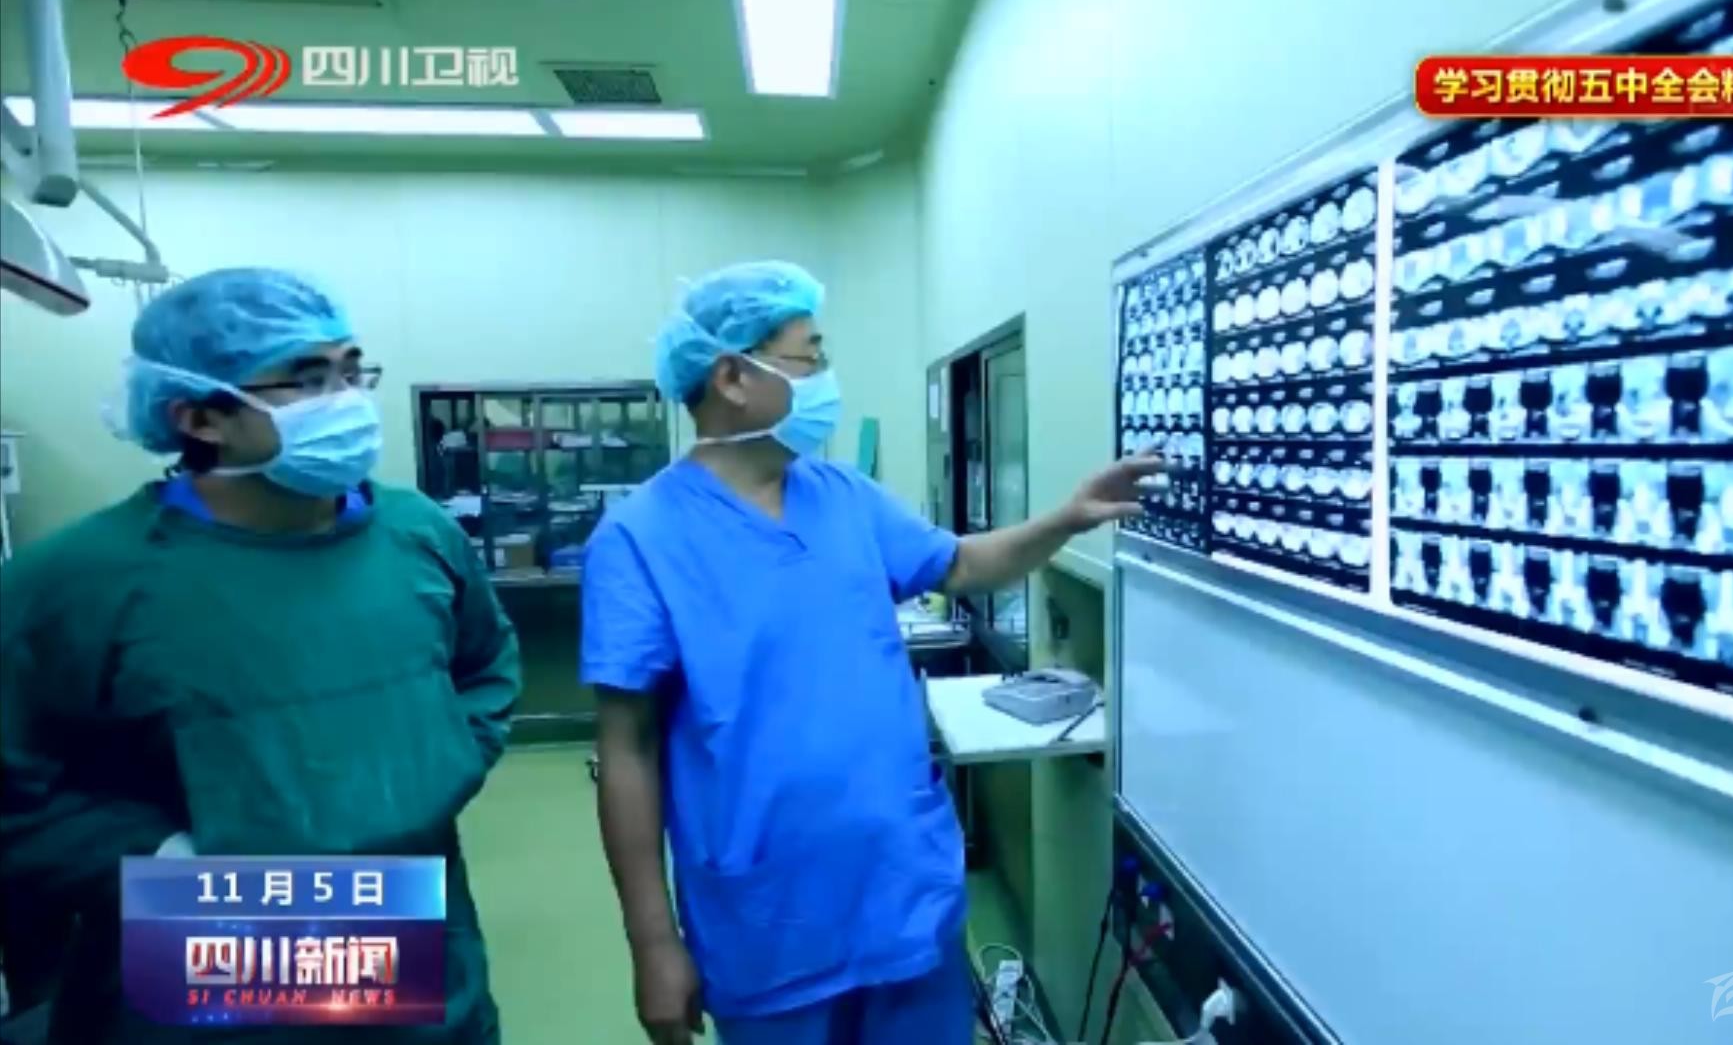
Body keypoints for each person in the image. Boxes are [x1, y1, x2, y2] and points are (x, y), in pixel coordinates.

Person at [585, 261, 1166, 1045]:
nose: (825, 376)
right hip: (770, 928)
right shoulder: (640, 539)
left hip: (904, 903)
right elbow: (627, 751)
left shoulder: (841, 497)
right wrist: (652, 943)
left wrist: (1067, 519)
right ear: (732, 377)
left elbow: (960, 564)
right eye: (810, 355)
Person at [0, 268, 522, 1044]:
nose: (345, 400)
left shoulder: (416, 534)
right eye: (307, 380)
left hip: (411, 926)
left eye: (352, 371)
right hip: (205, 937)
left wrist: (431, 765)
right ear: (199, 417)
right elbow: (17, 785)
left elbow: (485, 666)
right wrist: (157, 859)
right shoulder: (80, 582)